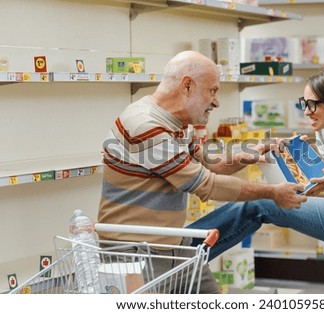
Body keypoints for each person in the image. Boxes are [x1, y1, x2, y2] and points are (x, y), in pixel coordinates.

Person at [97, 50, 306, 293]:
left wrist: (254, 152)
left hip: (175, 247)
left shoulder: (180, 124)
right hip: (134, 255)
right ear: (187, 86)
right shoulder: (145, 125)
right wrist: (272, 192)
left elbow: (211, 165)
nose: (216, 101)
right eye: (213, 90)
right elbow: (206, 184)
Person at [195, 67, 324, 294]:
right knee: (258, 204)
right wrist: (294, 153)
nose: (306, 112)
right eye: (304, 104)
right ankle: (186, 254)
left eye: (312, 104)